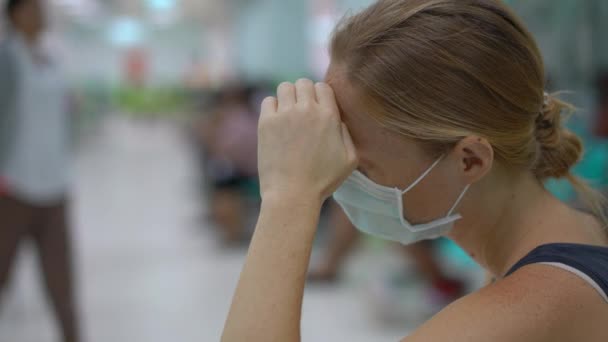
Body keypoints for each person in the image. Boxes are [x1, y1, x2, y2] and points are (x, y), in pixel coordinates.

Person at [221, 0, 608, 341]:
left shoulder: (540, 300)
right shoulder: (574, 237)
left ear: (470, 159)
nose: (342, 178)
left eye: (360, 162)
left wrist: (287, 196)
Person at [0, 1, 81, 342]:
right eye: (34, 8)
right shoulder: (6, 59)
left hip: (55, 186)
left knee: (62, 285)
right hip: (12, 188)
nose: (42, 14)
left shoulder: (52, 58)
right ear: (16, 14)